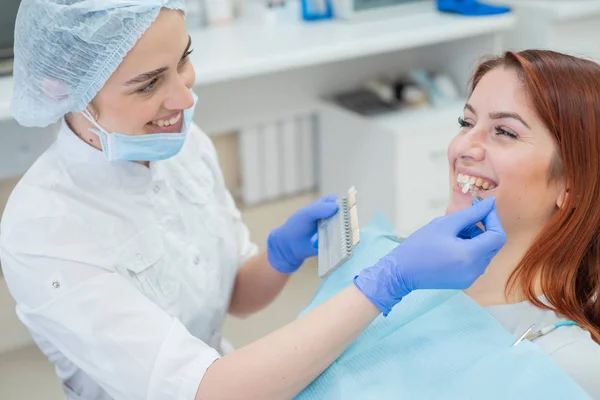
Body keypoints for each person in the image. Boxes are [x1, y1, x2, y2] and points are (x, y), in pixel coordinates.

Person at [0, 1, 506, 399]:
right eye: (148, 84)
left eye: (184, 59)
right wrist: (388, 281)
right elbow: (210, 390)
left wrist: (277, 256)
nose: (183, 98)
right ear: (64, 90)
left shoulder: (182, 145)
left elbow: (236, 297)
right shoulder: (45, 229)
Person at [444, 49, 600, 396]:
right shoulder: (414, 279)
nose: (465, 147)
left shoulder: (568, 362)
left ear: (570, 185)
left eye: (505, 132)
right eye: (466, 123)